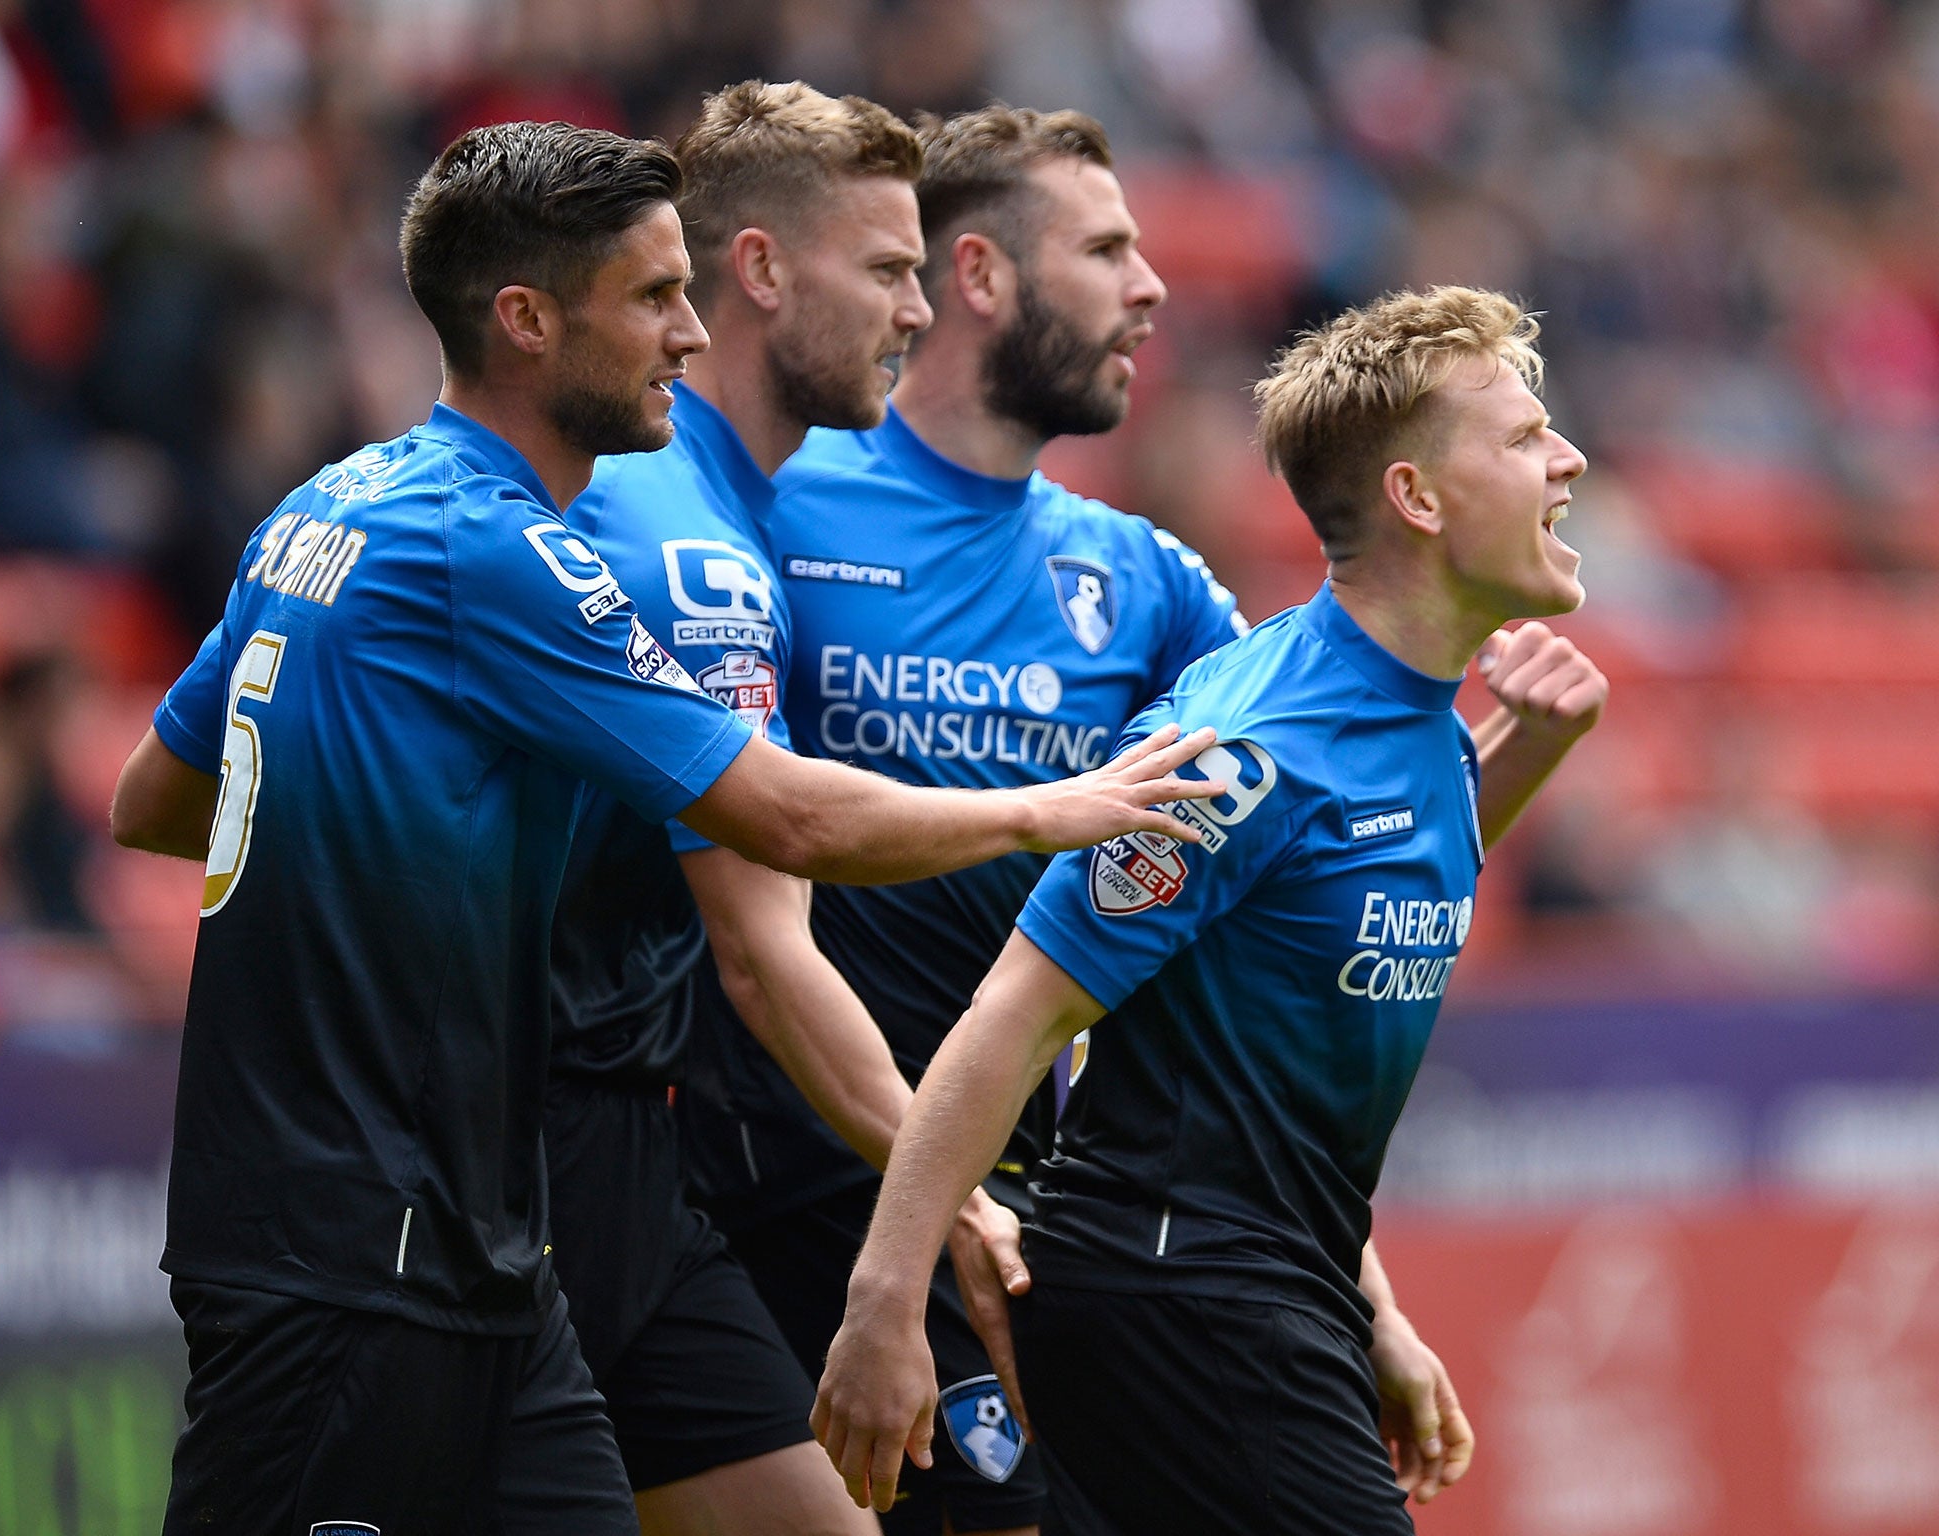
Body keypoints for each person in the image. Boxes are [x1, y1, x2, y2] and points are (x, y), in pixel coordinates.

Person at [107, 120, 1223, 1536]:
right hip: (350, 1234)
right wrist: (1052, 811)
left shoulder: (328, 504)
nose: (690, 336)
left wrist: (391, 815)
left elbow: (156, 795)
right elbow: (783, 821)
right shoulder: (512, 550)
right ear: (525, 321)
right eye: (652, 298)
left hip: (491, 1232)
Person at [682, 107, 1600, 1530]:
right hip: (777, 1178)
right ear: (981, 273)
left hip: (1025, 1214)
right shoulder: (768, 509)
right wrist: (899, 1254)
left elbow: (1310, 876)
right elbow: (748, 874)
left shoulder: (1150, 581)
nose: (1154, 286)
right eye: (1108, 247)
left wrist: (1374, 1308)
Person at [542, 81, 951, 1536]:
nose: (921, 310)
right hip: (514, 1170)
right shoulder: (679, 534)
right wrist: (954, 1212)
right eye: (892, 271)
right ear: (763, 272)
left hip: (634, 1170)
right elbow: (764, 947)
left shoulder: (735, 507)